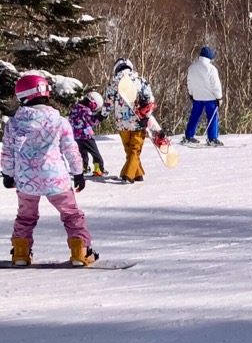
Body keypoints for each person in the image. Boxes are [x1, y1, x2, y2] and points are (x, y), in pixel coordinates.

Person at [2, 73, 96, 267]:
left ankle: (20, 252)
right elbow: (71, 149)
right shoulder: (60, 121)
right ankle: (80, 251)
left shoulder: (14, 123)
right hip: (56, 179)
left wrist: (8, 174)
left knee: (25, 216)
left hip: (26, 180)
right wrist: (78, 172)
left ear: (22, 97)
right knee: (71, 215)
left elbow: (8, 152)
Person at [107, 59, 156, 183]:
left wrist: (101, 116)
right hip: (138, 121)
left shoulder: (113, 83)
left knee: (129, 149)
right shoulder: (140, 81)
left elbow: (108, 103)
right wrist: (147, 116)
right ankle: (128, 175)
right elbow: (150, 100)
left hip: (121, 123)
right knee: (135, 149)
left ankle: (137, 173)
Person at [185, 45, 224, 146]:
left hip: (197, 97)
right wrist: (219, 97)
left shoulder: (192, 67)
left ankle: (189, 136)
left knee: (194, 116)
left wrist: (191, 93)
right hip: (210, 97)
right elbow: (215, 84)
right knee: (212, 117)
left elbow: (189, 82)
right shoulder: (211, 68)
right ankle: (212, 138)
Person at [70, 91, 107, 177]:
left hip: (76, 136)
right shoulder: (86, 111)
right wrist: (100, 117)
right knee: (95, 153)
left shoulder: (75, 108)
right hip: (86, 136)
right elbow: (92, 121)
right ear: (92, 103)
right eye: (95, 107)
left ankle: (83, 167)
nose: (94, 109)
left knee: (82, 153)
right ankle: (98, 169)